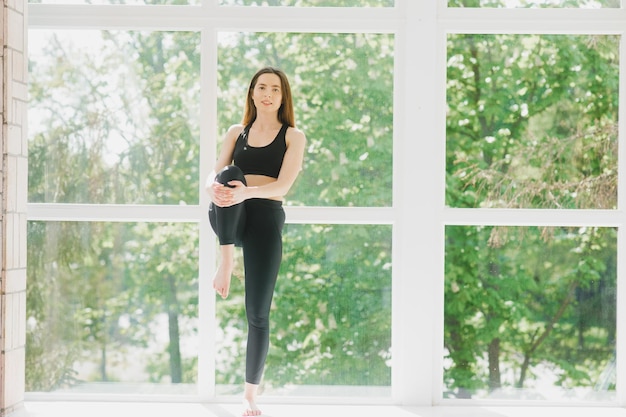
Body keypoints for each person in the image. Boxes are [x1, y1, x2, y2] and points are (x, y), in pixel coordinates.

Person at [205, 67, 306, 416]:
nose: (267, 93)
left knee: (258, 314)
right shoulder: (237, 132)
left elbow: (284, 185)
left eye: (275, 89)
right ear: (251, 93)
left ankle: (249, 394)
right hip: (232, 214)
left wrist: (250, 191)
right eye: (261, 87)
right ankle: (227, 261)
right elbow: (215, 170)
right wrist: (212, 187)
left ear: (282, 96)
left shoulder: (293, 136)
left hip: (265, 219)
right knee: (229, 174)